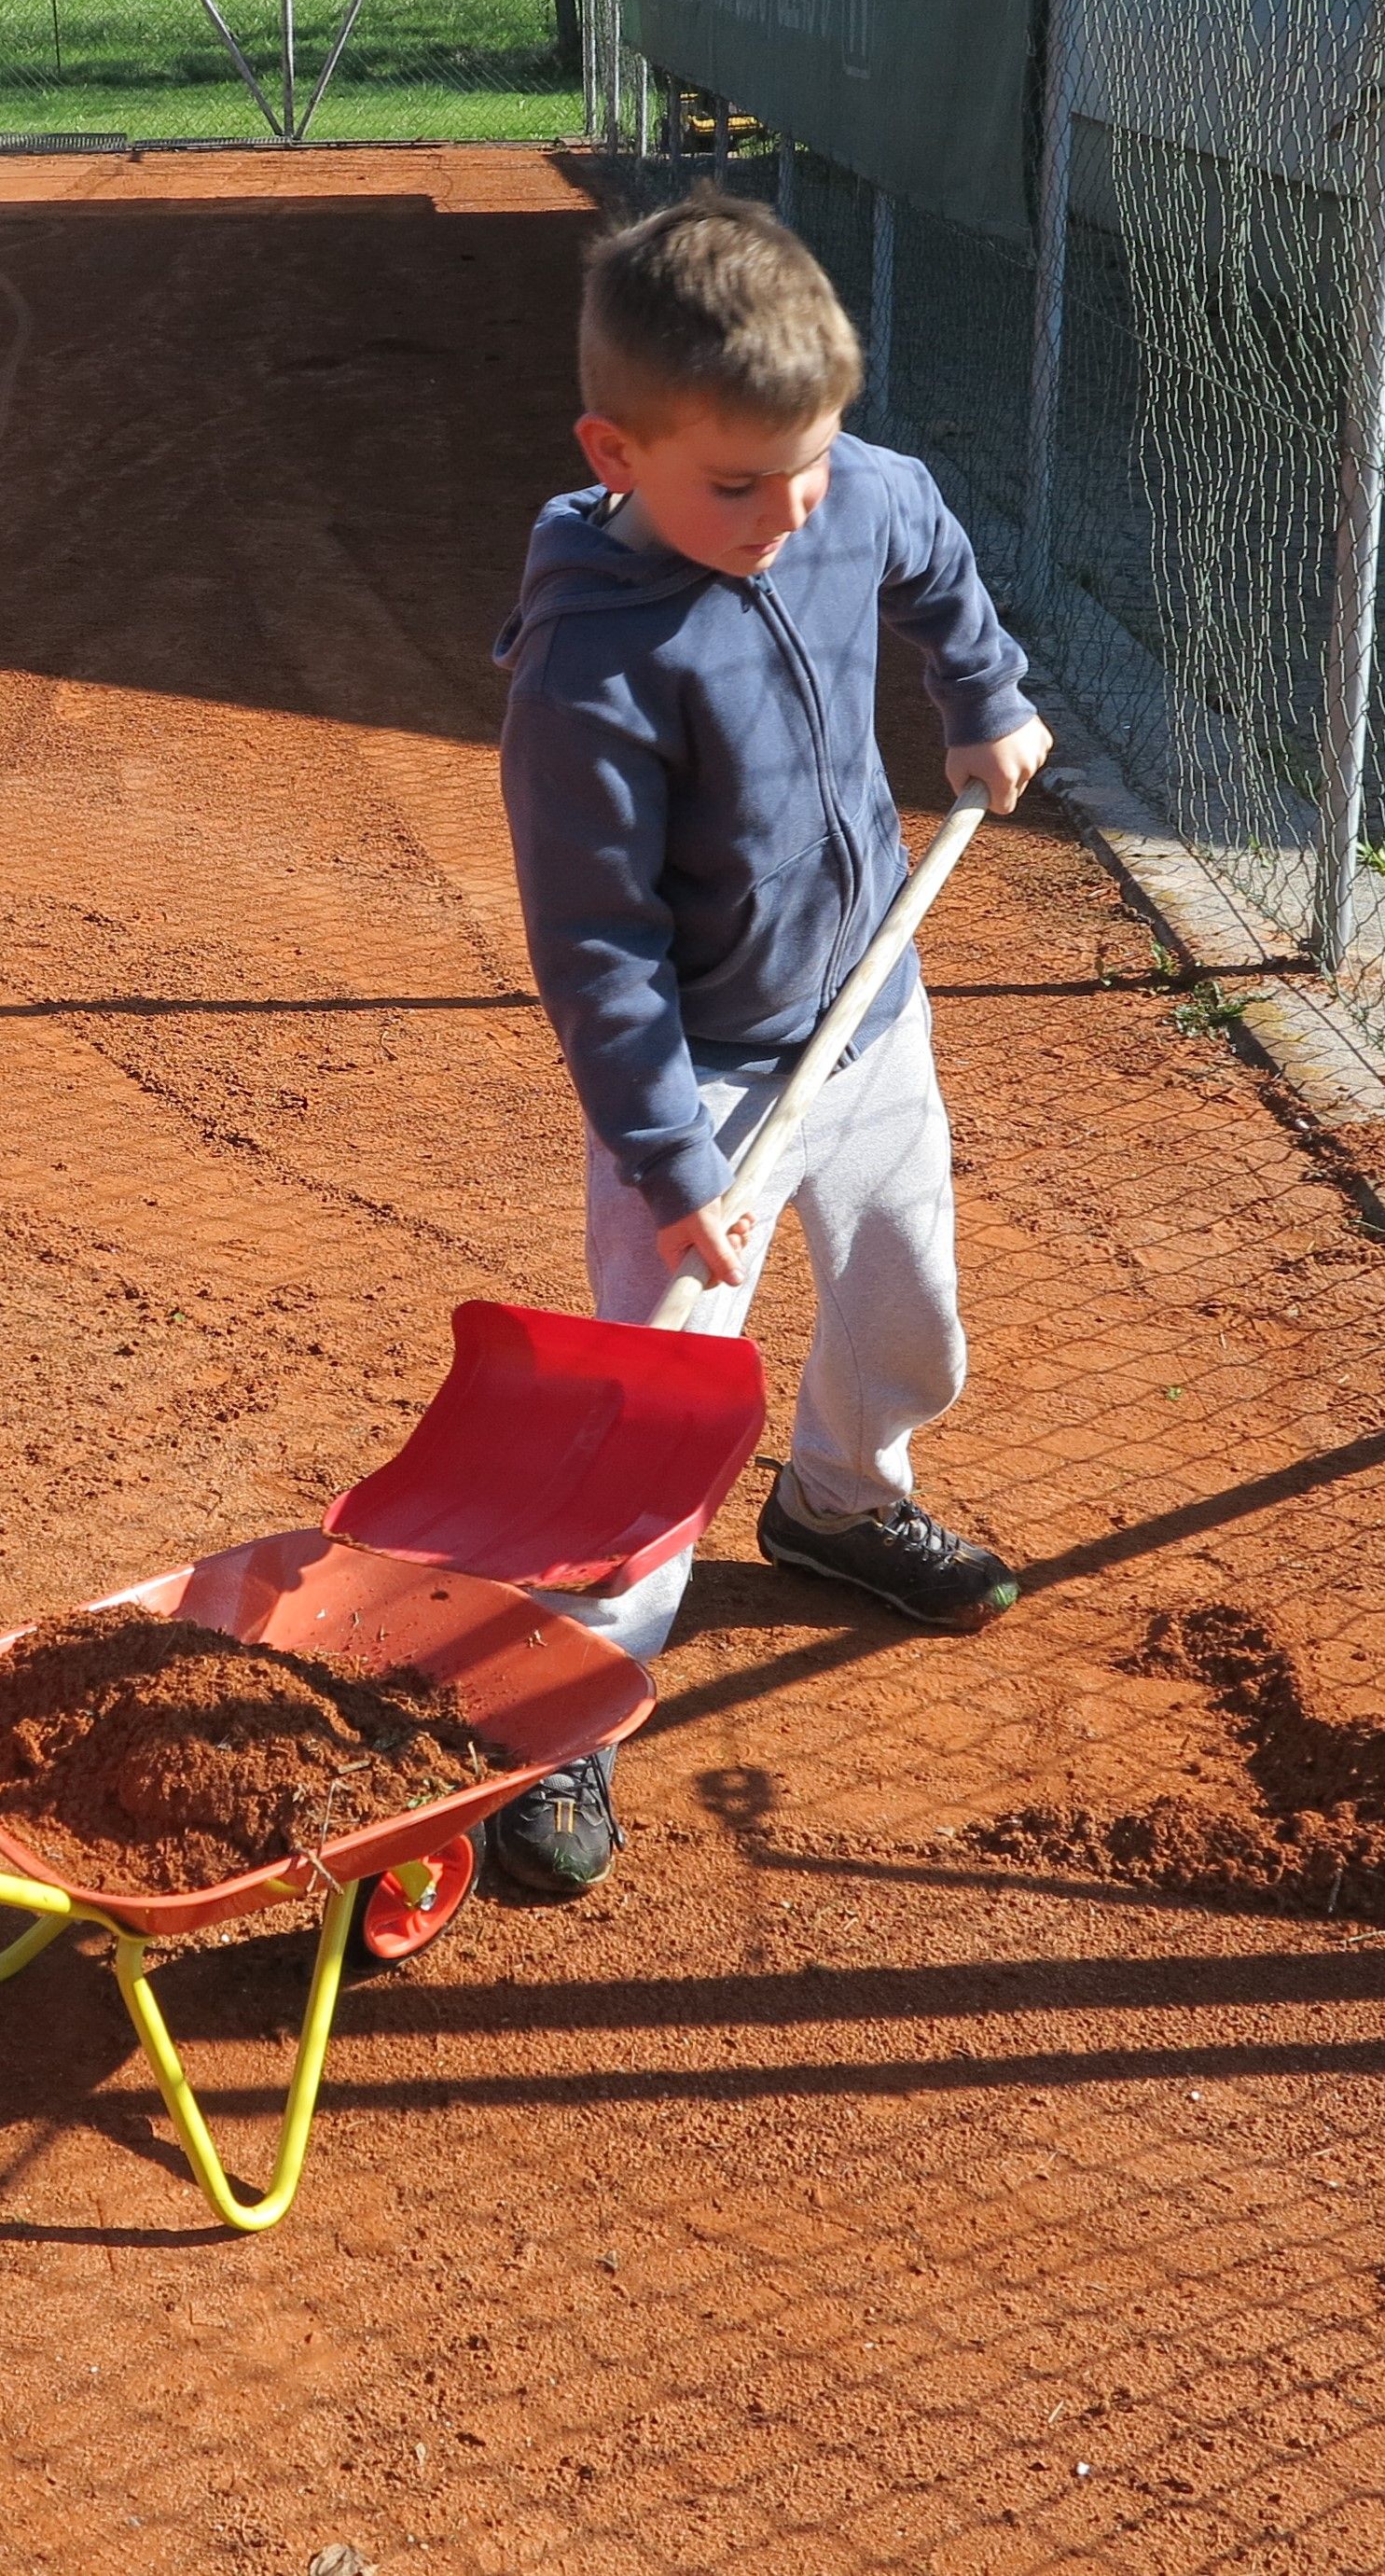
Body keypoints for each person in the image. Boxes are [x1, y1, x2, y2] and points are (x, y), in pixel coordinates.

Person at [484, 191, 1051, 1898]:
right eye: (735, 485)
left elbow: (918, 535)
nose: (787, 512)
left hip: (871, 1005)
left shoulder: (837, 487)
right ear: (615, 452)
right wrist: (668, 1161)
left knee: (905, 1299)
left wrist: (982, 696)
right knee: (657, 1402)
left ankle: (840, 1501)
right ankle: (573, 1694)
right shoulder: (589, 667)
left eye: (805, 466)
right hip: (708, 1089)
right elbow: (597, 950)